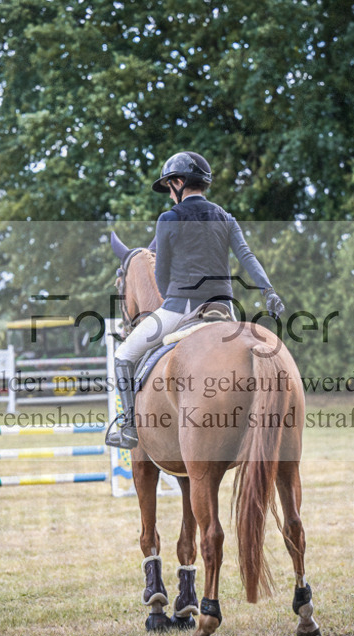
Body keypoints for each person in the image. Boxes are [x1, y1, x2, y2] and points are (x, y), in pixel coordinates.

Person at [105, 151, 285, 449]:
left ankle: (128, 428)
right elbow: (247, 257)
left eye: (169, 187)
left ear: (178, 182)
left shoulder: (169, 219)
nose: (169, 195)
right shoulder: (226, 218)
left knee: (123, 355)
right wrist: (268, 290)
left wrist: (171, 295)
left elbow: (161, 274)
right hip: (224, 309)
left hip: (181, 308)